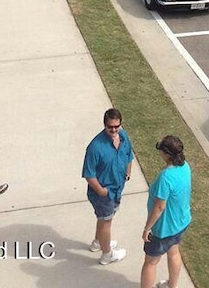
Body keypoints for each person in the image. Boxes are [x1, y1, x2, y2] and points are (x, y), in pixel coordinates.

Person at [83, 107, 133, 265]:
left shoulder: (123, 137)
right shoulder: (95, 147)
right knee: (106, 221)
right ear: (104, 125)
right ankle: (107, 255)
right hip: (104, 194)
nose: (113, 130)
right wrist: (101, 191)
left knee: (104, 219)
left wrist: (128, 173)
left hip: (117, 189)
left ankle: (99, 242)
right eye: (110, 126)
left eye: (116, 126)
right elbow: (89, 174)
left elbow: (129, 155)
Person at [140, 135, 192, 288]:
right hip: (181, 223)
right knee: (173, 251)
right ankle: (172, 285)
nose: (160, 154)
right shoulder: (185, 167)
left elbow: (159, 207)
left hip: (163, 229)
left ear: (167, 154)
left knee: (150, 262)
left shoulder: (166, 177)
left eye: (161, 151)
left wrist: (147, 228)